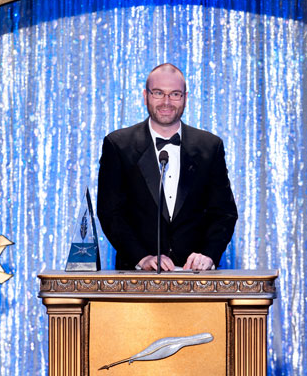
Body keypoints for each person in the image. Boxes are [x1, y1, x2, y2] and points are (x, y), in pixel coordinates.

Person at [97, 63, 237, 271]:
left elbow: (224, 212)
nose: (166, 102)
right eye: (158, 93)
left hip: (197, 279)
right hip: (135, 280)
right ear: (145, 96)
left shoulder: (210, 146)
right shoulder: (118, 145)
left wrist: (208, 254)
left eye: (175, 94)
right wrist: (142, 258)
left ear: (185, 98)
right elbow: (110, 212)